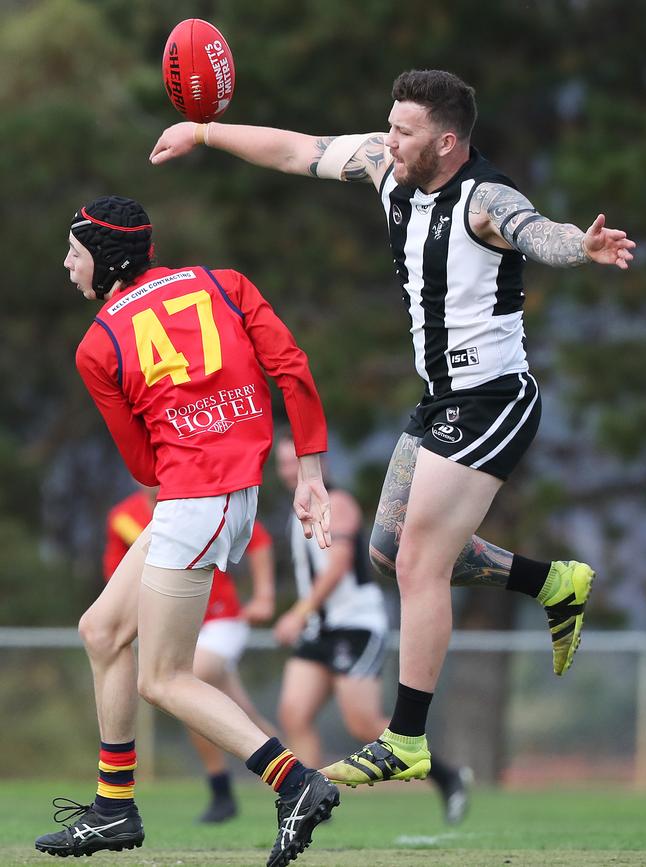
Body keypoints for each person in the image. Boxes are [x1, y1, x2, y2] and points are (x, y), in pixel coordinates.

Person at [150, 68, 636, 787]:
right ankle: (553, 583)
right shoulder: (387, 167)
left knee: (418, 564)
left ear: (444, 141)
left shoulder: (484, 198)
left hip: (493, 399)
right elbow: (297, 151)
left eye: (404, 129)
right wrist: (203, 130)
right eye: (390, 123)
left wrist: (581, 247)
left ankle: (405, 737)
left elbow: (538, 231)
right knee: (385, 552)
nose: (389, 136)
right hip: (439, 401)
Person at [35, 195, 339, 867]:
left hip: (194, 497)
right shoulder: (224, 284)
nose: (66, 263)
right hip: (226, 493)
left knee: (165, 677)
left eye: (74, 251)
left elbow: (144, 464)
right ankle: (114, 807)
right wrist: (312, 468)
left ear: (107, 261)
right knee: (102, 629)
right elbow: (291, 366)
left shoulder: (97, 343)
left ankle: (295, 781)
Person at [273, 433, 472, 824]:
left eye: (293, 463)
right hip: (321, 630)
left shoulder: (339, 504)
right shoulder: (296, 511)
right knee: (293, 713)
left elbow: (340, 563)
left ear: (317, 464)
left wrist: (299, 611)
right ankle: (311, 805)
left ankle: (449, 778)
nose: (286, 472)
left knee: (363, 722)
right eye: (281, 465)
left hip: (356, 627)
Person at [103, 485, 277, 823]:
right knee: (238, 711)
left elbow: (257, 538)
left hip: (220, 621)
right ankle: (301, 781)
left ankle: (226, 789)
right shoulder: (123, 517)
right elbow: (116, 577)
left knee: (182, 682)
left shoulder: (198, 502)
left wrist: (266, 594)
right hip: (175, 626)